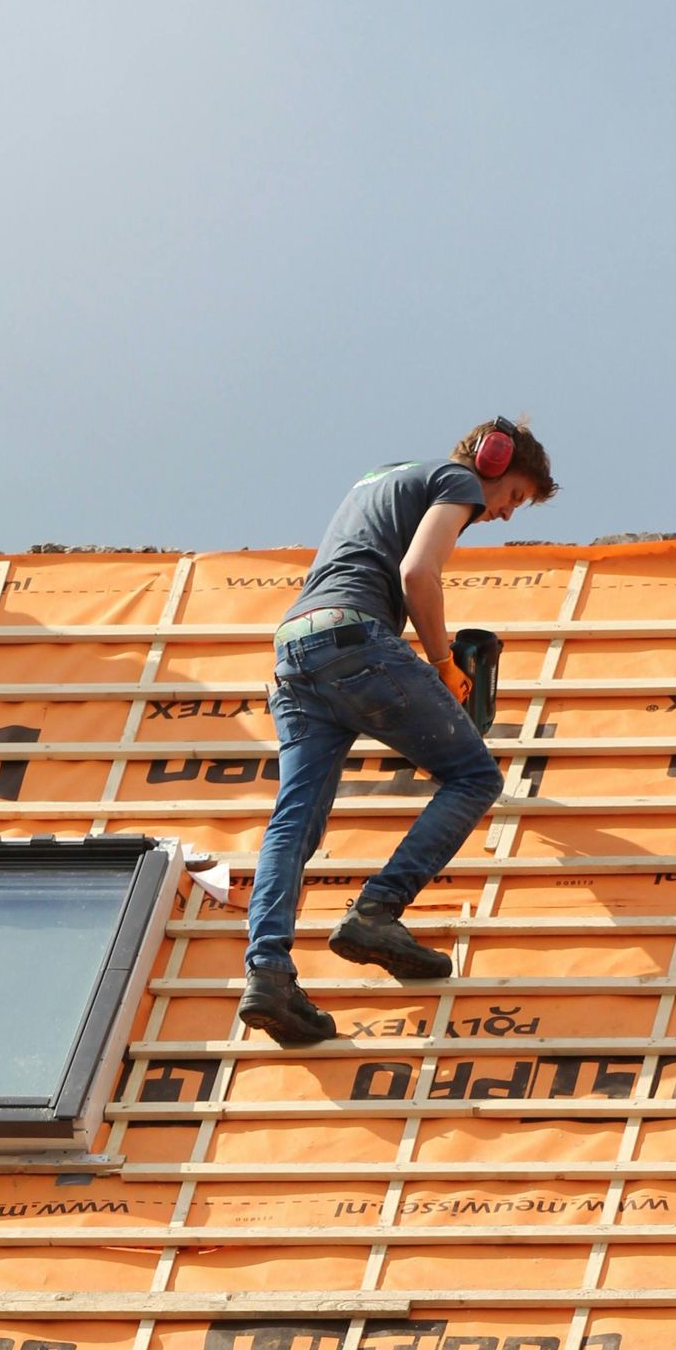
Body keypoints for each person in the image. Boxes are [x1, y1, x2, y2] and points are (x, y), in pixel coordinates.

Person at [239, 420, 558, 1048]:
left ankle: (269, 974)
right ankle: (376, 914)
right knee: (474, 776)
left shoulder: (383, 477)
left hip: (294, 653)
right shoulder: (460, 480)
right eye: (515, 496)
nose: (505, 514)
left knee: (292, 822)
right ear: (495, 461)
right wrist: (442, 664)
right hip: (353, 637)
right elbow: (418, 573)